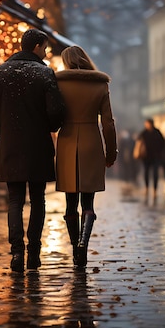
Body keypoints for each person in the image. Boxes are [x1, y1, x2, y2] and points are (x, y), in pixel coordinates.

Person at [0, 29, 66, 272]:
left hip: (11, 146)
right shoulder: (45, 73)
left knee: (15, 200)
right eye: (46, 48)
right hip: (39, 146)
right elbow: (56, 112)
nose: (47, 53)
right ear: (38, 46)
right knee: (38, 200)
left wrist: (4, 136)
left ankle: (17, 253)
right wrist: (50, 127)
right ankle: (34, 253)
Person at [55, 46, 117, 269]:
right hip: (92, 141)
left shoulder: (58, 83)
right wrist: (111, 153)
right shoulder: (100, 84)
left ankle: (74, 248)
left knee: (70, 202)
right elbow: (108, 123)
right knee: (88, 202)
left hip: (67, 141)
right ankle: (83, 243)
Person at [139, 118, 165, 199]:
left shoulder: (157, 132)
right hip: (146, 157)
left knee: (155, 173)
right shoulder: (144, 133)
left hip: (155, 156)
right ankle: (147, 187)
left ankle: (155, 189)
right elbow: (139, 142)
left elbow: (163, 142)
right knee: (146, 173)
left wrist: (159, 152)